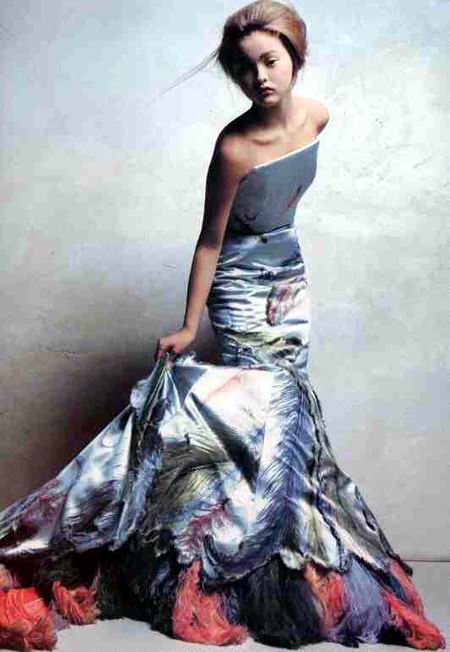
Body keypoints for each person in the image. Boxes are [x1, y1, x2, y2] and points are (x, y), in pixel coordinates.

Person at [0, 1, 446, 650]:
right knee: (257, 416)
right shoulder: (233, 148)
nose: (259, 77)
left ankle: (276, 566)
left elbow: (285, 208)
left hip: (288, 280)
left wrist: (280, 265)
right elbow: (210, 242)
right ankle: (219, 569)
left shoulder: (317, 117)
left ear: (296, 58)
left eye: (270, 61)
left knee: (288, 419)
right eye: (244, 68)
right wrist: (190, 326)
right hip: (237, 285)